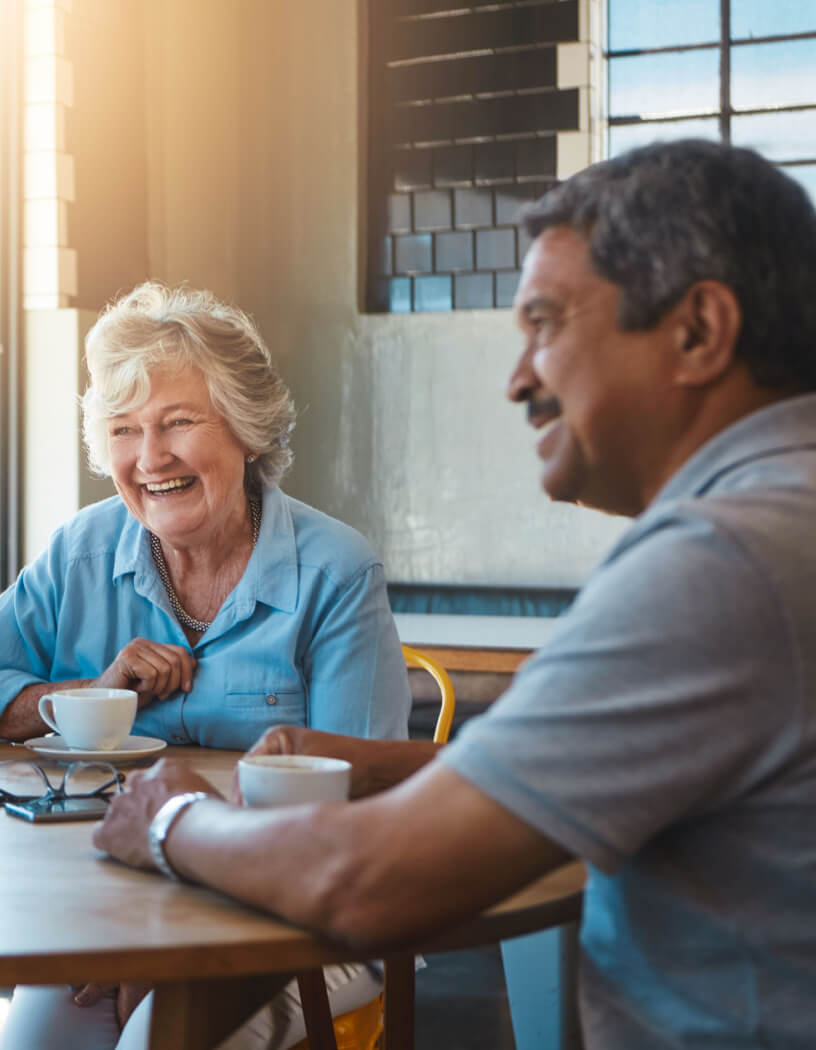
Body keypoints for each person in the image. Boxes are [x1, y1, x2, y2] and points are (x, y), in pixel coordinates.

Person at [94, 139, 816, 1049]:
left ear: (699, 331)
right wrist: (375, 764)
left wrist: (167, 821)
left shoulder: (721, 561)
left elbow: (375, 881)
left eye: (546, 324)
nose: (517, 378)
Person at [0, 282, 412, 1049]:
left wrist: (178, 941)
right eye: (124, 430)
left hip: (302, 918)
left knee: (166, 1037)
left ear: (245, 432)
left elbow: (355, 816)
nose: (150, 458)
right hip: (112, 904)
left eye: (178, 422)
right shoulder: (80, 553)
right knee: (34, 1042)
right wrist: (85, 697)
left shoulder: (334, 573)